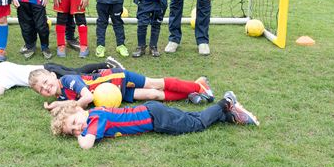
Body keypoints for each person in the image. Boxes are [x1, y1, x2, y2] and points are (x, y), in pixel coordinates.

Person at [50, 91, 259, 149]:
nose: (78, 129)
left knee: (196, 124)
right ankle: (228, 116)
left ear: (78, 110)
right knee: (191, 117)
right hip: (152, 110)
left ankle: (226, 102)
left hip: (156, 119)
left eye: (75, 123)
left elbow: (86, 145)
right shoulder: (95, 115)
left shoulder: (95, 118)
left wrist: (79, 136)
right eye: (73, 131)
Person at [28, 67, 215, 109]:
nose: (46, 87)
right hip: (115, 94)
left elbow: (86, 98)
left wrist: (73, 106)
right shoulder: (60, 97)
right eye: (42, 89)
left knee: (154, 83)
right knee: (154, 95)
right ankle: (188, 93)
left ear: (53, 75)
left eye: (46, 81)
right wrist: (56, 106)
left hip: (117, 78)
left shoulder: (68, 80)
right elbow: (70, 101)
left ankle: (198, 86)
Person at [0, 56, 124, 96]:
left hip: (48, 75)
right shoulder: (3, 67)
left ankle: (109, 69)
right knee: (76, 71)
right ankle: (105, 65)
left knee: (80, 76)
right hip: (47, 68)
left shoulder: (2, 74)